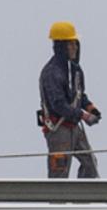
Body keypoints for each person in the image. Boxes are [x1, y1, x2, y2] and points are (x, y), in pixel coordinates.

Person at [37, 21, 100, 179]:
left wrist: (91, 108)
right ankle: (57, 202)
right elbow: (58, 104)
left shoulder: (75, 70)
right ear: (60, 46)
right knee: (59, 173)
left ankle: (83, 200)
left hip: (74, 127)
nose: (74, 48)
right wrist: (83, 115)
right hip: (58, 130)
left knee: (90, 164)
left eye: (75, 44)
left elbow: (79, 95)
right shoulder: (51, 73)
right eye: (70, 44)